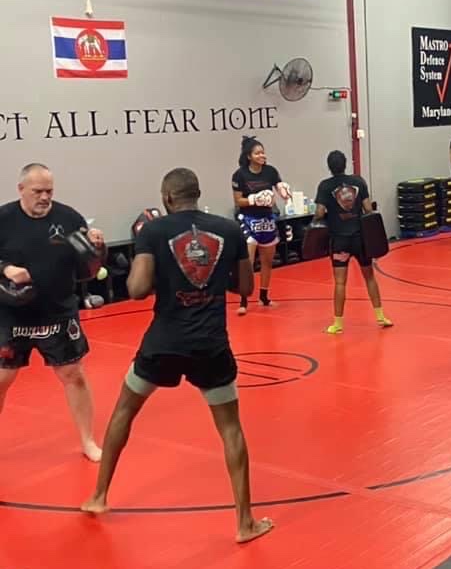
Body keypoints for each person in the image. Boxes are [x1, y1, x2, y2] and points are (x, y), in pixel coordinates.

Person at [81, 168, 274, 544]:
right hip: (210, 344)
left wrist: (157, 272)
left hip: (163, 343)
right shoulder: (229, 230)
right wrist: (214, 278)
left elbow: (137, 289)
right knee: (231, 429)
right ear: (197, 194)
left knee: (124, 410)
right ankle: (245, 523)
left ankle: (99, 496)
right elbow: (246, 287)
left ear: (167, 197)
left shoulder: (153, 231)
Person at [0, 163, 104, 462]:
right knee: (2, 379)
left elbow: (86, 271)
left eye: (49, 191)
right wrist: (6, 268)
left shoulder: (69, 219)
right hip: (11, 312)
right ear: (21, 189)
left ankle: (88, 441)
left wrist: (96, 249)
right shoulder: (3, 218)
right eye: (38, 191)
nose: (45, 197)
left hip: (57, 310)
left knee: (73, 374)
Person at [314, 150, 391, 334]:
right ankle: (381, 316)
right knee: (370, 277)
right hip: (360, 238)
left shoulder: (325, 186)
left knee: (340, 282)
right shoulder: (358, 182)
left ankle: (337, 324)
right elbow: (368, 208)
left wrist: (327, 214)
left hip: (340, 241)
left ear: (329, 167)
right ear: (345, 164)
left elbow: (319, 213)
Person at [231, 136, 291, 315]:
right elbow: (238, 201)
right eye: (257, 153)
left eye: (263, 152)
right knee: (248, 262)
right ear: (249, 156)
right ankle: (243, 300)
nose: (262, 155)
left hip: (267, 219)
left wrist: (283, 191)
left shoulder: (270, 171)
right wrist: (254, 199)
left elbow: (278, 185)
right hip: (248, 219)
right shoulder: (240, 175)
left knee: (267, 261)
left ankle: (264, 296)